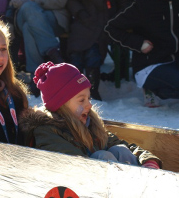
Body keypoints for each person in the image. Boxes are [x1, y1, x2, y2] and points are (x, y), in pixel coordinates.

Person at [20, 62, 162, 168]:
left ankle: (141, 185)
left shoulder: (90, 125)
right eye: (81, 100)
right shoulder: (47, 131)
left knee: (120, 150)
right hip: (76, 194)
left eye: (89, 98)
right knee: (102, 156)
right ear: (60, 105)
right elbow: (76, 166)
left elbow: (120, 144)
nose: (89, 105)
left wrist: (148, 161)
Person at [67, 0, 131, 101]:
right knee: (76, 50)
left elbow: (124, 0)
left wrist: (117, 19)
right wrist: (79, 12)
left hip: (105, 20)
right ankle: (75, 85)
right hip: (84, 19)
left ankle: (92, 87)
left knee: (93, 52)